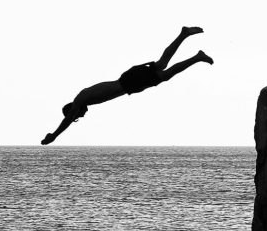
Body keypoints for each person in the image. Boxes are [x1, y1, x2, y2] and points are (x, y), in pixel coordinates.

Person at [40, 26, 213, 145]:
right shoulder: (84, 98)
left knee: (165, 74)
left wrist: (54, 136)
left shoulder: (79, 100)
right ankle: (184, 36)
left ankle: (197, 56)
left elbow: (66, 121)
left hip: (129, 82)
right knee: (162, 65)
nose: (82, 116)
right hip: (129, 81)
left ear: (73, 111)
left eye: (78, 116)